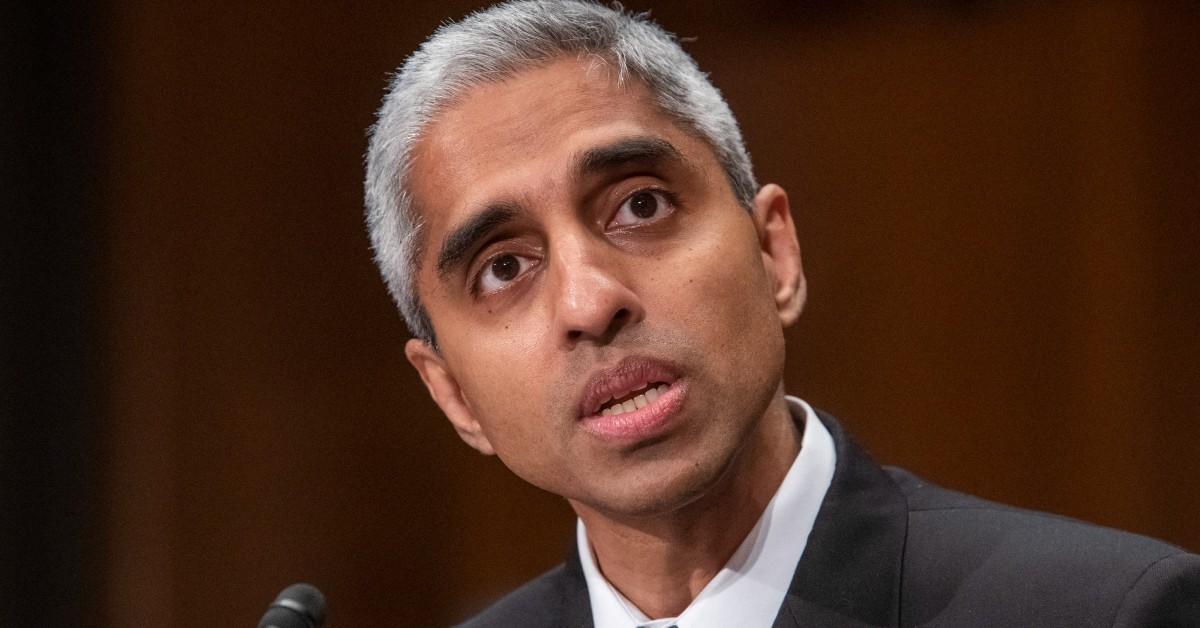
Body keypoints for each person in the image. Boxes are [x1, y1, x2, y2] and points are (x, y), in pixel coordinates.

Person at [363, 1, 1200, 626]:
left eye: (641, 206)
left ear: (775, 254)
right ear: (455, 398)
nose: (590, 302)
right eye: (504, 267)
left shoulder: (1105, 611)